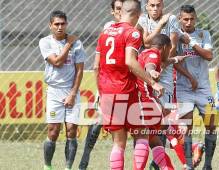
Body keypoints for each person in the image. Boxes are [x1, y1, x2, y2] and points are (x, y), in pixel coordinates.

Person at [96, 0, 164, 169]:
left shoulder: (105, 33)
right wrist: (152, 83)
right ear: (138, 15)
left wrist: (100, 92)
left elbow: (96, 66)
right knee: (141, 133)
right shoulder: (132, 33)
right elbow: (130, 62)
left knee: (118, 142)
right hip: (125, 89)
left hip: (107, 91)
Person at [137, 1, 197, 169]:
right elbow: (147, 43)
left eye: (158, 5)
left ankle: (185, 158)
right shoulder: (143, 21)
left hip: (166, 81)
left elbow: (169, 45)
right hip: (151, 80)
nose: (155, 9)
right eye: (152, 5)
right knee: (158, 127)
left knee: (162, 123)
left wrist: (162, 65)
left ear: (163, 6)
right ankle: (178, 159)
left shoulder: (170, 19)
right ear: (147, 7)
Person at [78, 1, 124, 169]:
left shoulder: (136, 27)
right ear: (112, 11)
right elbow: (98, 62)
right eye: (118, 9)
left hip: (127, 82)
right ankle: (86, 156)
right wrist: (100, 87)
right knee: (101, 121)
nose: (121, 12)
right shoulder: (110, 27)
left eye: (124, 8)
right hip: (111, 82)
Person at [39, 10, 86, 170]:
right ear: (50, 25)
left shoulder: (77, 44)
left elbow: (79, 70)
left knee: (72, 130)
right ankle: (47, 166)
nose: (60, 27)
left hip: (71, 91)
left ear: (67, 24)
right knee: (53, 131)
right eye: (56, 24)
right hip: (54, 91)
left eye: (62, 24)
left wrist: (73, 93)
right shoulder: (45, 42)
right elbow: (57, 62)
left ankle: (68, 168)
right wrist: (68, 44)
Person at [137, 34, 188, 170]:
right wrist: (152, 72)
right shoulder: (154, 54)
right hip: (148, 99)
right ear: (164, 47)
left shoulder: (145, 52)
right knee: (168, 129)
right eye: (170, 48)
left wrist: (175, 59)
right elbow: (150, 65)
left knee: (153, 139)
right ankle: (189, 157)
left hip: (137, 101)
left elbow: (162, 62)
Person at [176, 5, 215, 170]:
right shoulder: (175, 36)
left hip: (204, 88)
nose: (189, 22)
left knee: (211, 126)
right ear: (180, 19)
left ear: (196, 19)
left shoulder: (203, 34)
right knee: (186, 127)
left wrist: (191, 42)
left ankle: (207, 165)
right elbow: (173, 61)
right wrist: (190, 77)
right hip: (184, 88)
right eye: (185, 19)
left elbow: (209, 56)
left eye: (192, 19)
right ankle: (189, 164)